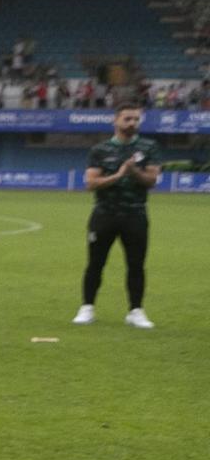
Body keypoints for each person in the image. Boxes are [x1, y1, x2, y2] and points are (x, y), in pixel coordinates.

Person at [74, 103, 161, 328]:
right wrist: (119, 175)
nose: (132, 123)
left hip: (135, 214)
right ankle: (87, 307)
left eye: (135, 119)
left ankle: (135, 311)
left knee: (136, 264)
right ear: (116, 121)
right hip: (104, 215)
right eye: (127, 119)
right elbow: (91, 183)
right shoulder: (100, 150)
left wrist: (134, 172)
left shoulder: (149, 147)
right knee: (95, 263)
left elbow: (152, 181)